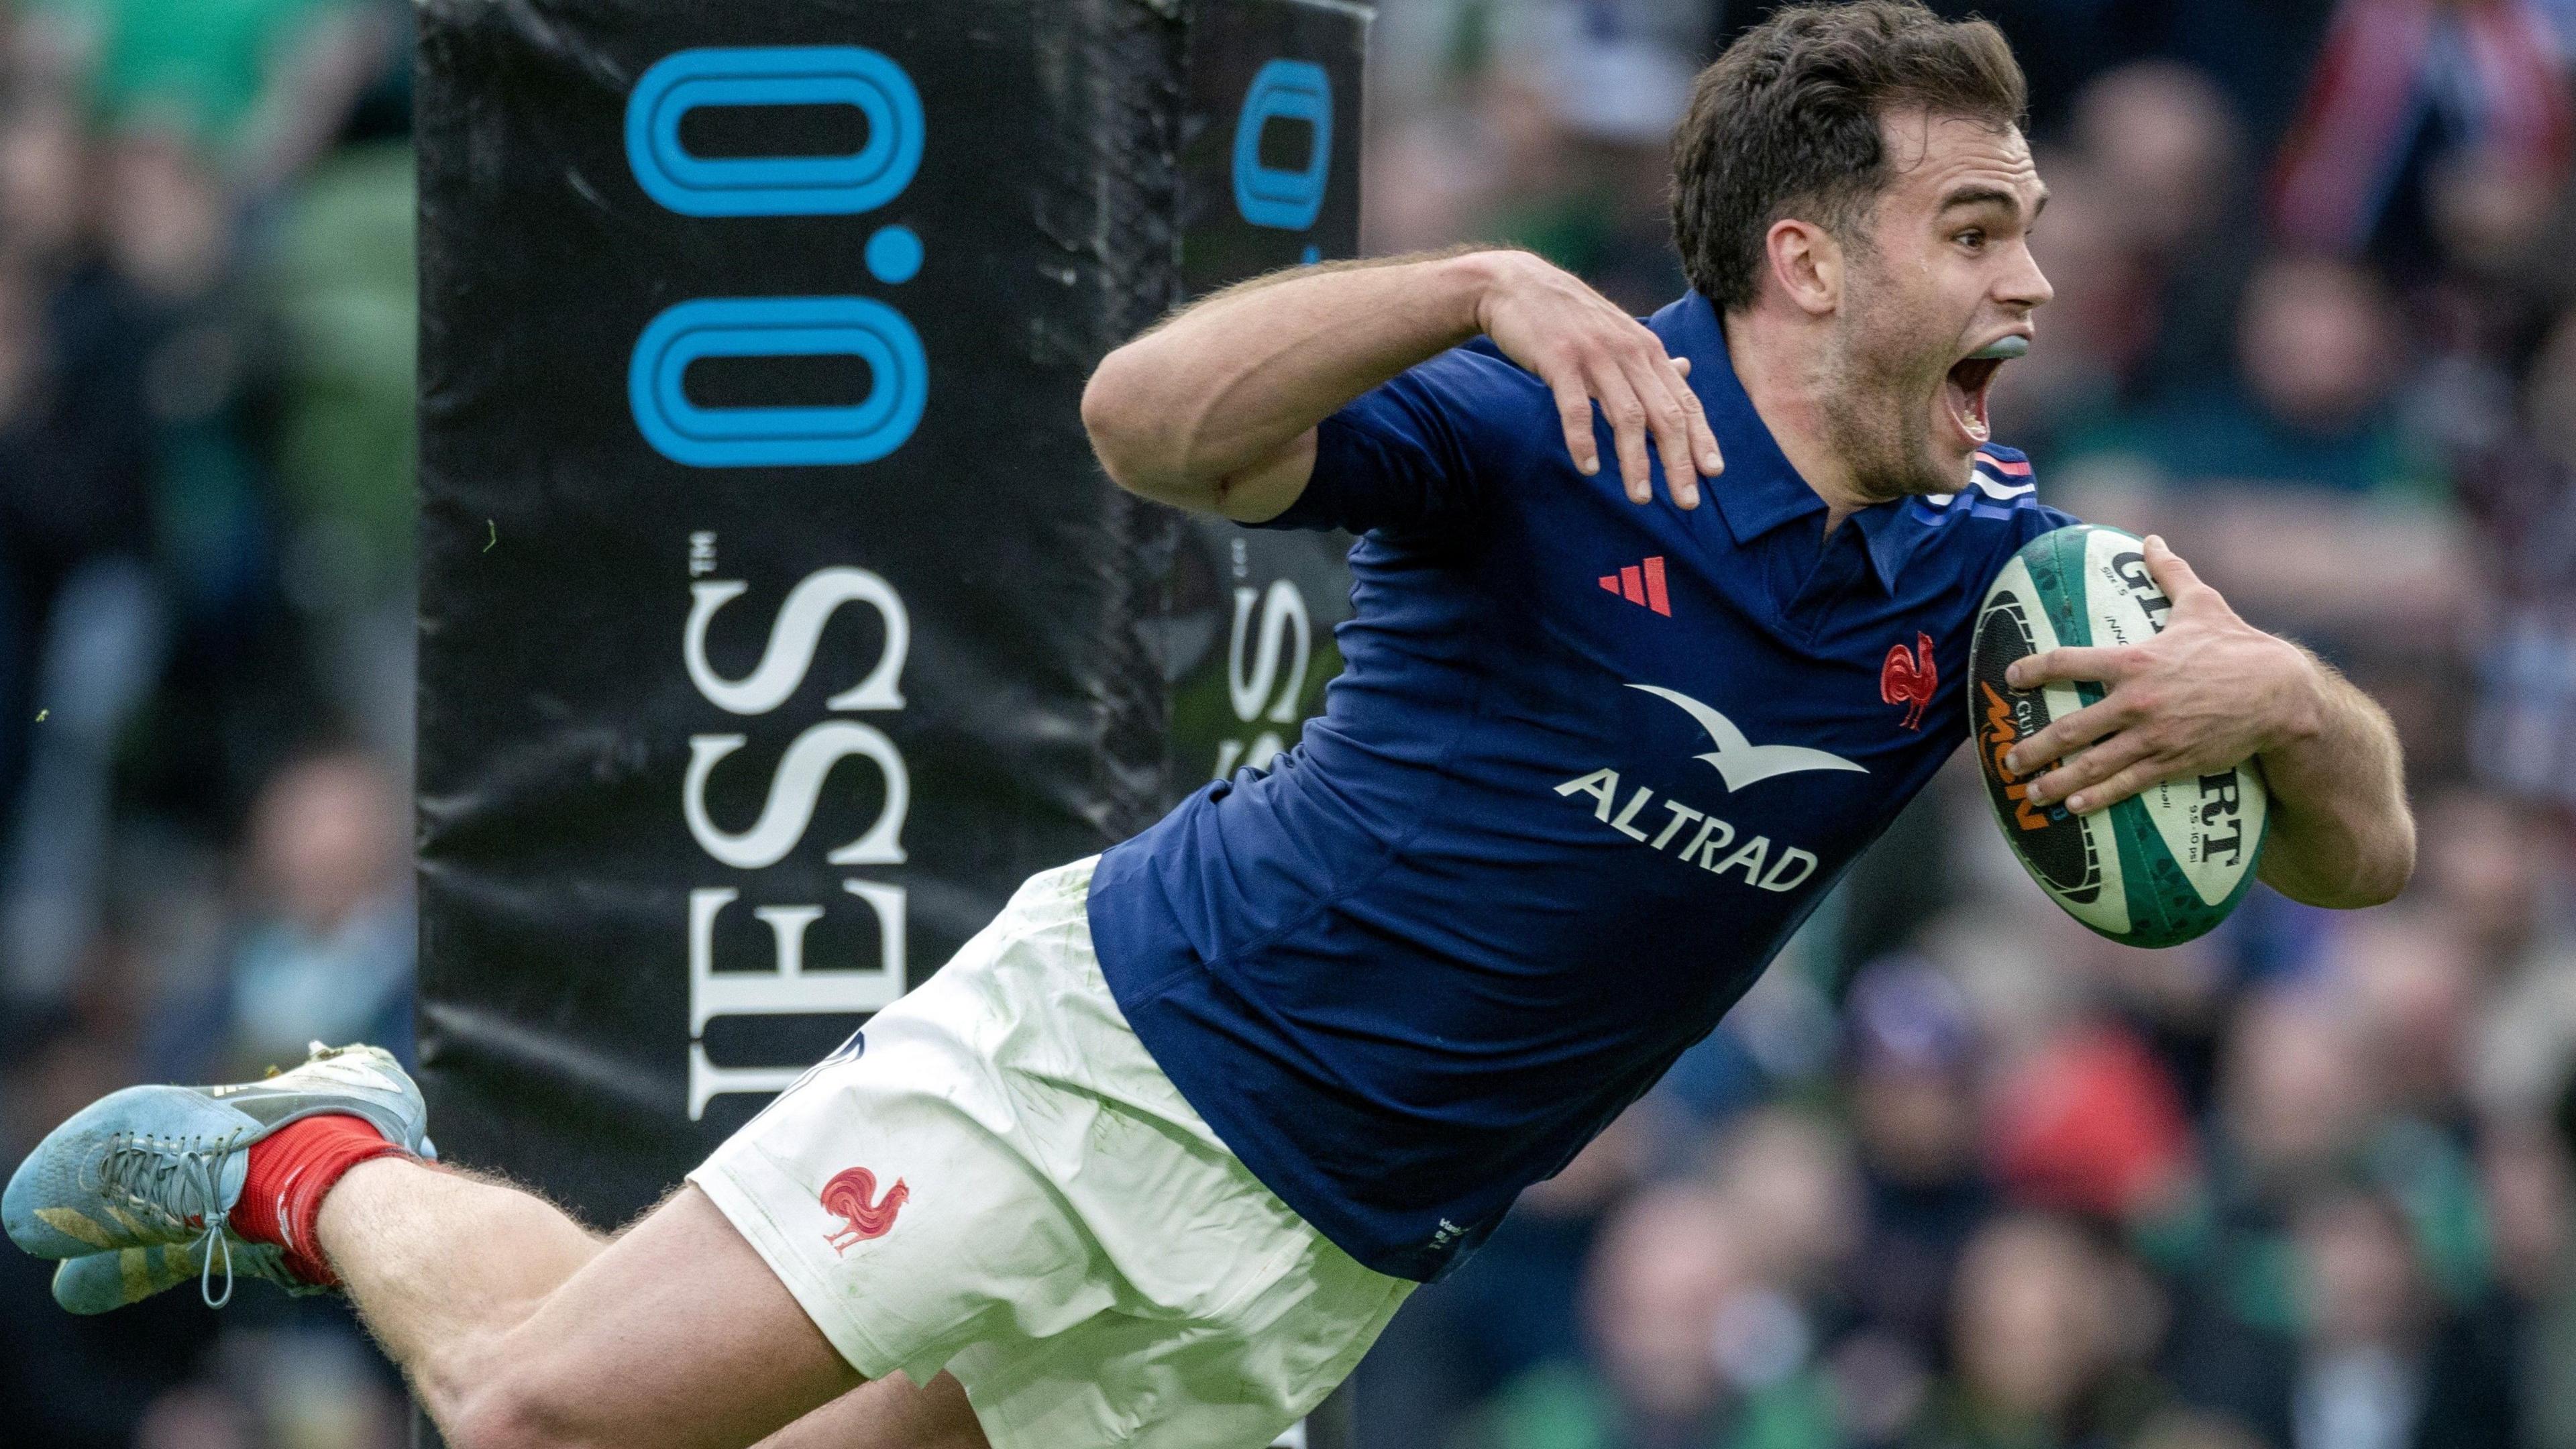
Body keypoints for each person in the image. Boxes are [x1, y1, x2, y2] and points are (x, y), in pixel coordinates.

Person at [1, 5, 2416, 1448]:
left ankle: (331, 1149)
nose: (2037, 267)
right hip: (1114, 1061)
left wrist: (2284, 692)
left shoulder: (2007, 568)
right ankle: (311, 1171)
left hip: (1319, 1265)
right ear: (1813, 260)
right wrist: (1465, 278)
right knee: (545, 1426)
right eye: (1981, 226)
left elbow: (2357, 857)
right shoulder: (1546, 412)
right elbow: (1140, 424)